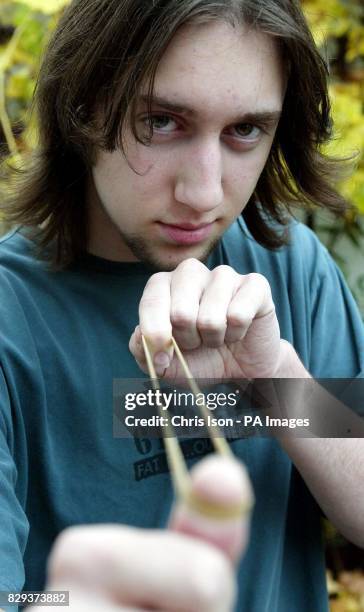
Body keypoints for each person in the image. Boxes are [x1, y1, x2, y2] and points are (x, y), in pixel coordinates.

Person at [0, 0, 363, 610]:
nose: (202, 191)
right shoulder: (13, 318)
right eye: (162, 121)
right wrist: (55, 602)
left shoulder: (289, 268)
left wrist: (275, 382)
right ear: (83, 106)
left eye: (245, 130)